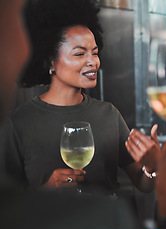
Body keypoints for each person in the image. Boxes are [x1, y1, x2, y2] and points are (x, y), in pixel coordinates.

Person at [0, 0, 157, 198]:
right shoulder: (17, 123)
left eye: (95, 52)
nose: (92, 61)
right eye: (80, 53)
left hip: (107, 226)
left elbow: (143, 184)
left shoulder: (109, 114)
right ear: (50, 62)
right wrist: (45, 191)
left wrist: (152, 167)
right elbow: (8, 207)